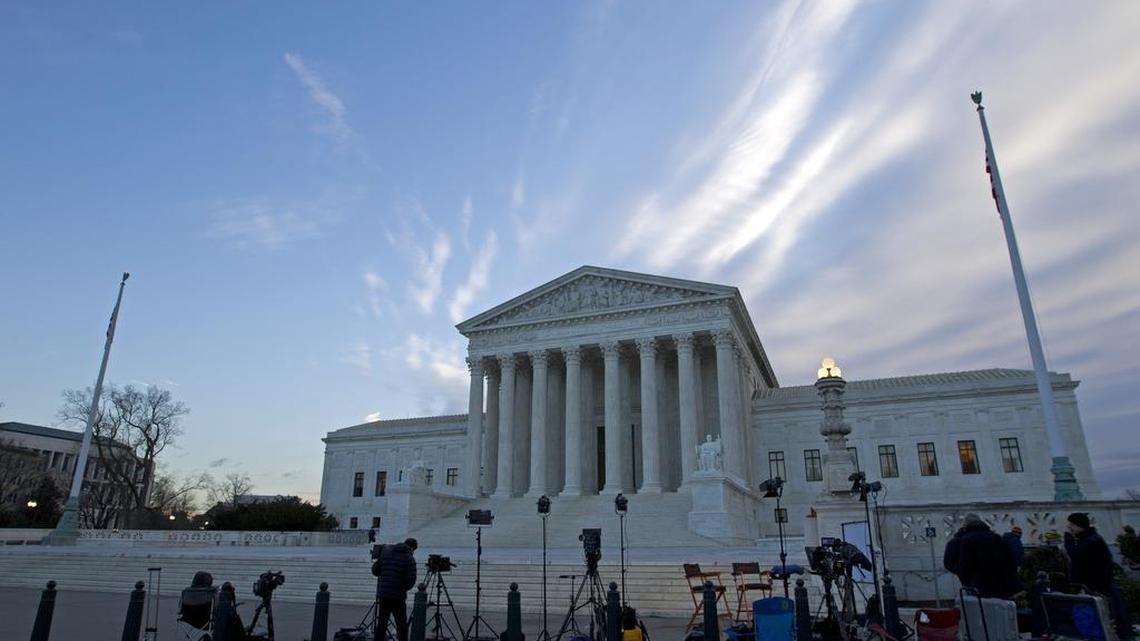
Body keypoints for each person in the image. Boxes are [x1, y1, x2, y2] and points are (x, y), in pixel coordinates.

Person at [1064, 512, 1133, 639]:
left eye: (1071, 525)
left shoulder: (1092, 540)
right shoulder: (1088, 538)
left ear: (1079, 525)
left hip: (1098, 585)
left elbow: (1075, 553)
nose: (1069, 528)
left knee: (1107, 615)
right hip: (1095, 584)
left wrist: (1068, 541)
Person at [943, 513, 1019, 599]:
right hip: (1000, 585)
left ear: (965, 526)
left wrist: (964, 576)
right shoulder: (996, 538)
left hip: (976, 585)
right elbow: (1009, 562)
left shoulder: (966, 539)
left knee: (977, 610)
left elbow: (964, 565)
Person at [372, 537, 419, 641]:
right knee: (401, 624)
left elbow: (375, 570)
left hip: (384, 594)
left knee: (382, 623)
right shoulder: (409, 558)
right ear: (412, 548)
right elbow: (410, 580)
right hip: (398, 595)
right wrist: (403, 587)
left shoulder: (386, 553)